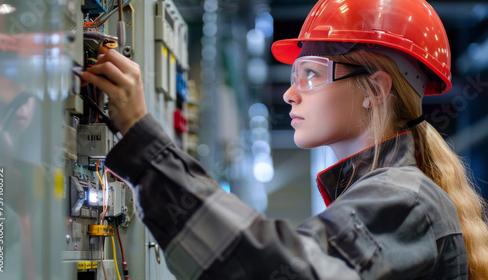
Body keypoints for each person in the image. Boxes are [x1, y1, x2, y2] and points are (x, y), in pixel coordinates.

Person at [81, 0, 488, 279]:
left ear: (375, 90)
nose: (290, 93)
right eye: (294, 76)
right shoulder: (391, 191)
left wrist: (143, 141)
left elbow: (283, 270)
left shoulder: (404, 199)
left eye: (310, 73)